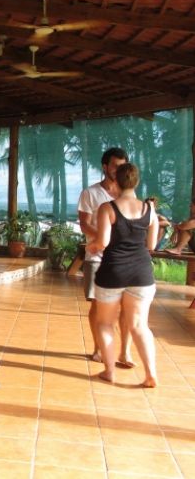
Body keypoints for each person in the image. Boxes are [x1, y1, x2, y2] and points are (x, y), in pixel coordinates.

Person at [87, 163, 159, 387]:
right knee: (140, 326)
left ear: (115, 182)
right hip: (141, 274)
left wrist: (91, 247)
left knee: (105, 323)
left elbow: (103, 242)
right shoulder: (149, 209)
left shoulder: (108, 208)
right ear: (136, 182)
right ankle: (150, 374)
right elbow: (152, 244)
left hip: (113, 273)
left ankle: (109, 371)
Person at [77, 147, 134, 366]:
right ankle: (99, 347)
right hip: (98, 257)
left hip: (124, 258)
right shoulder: (90, 193)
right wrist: (104, 238)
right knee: (98, 306)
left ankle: (125, 352)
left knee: (126, 307)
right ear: (105, 167)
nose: (119, 169)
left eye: (122, 165)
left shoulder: (128, 194)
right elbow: (84, 224)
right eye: (115, 165)